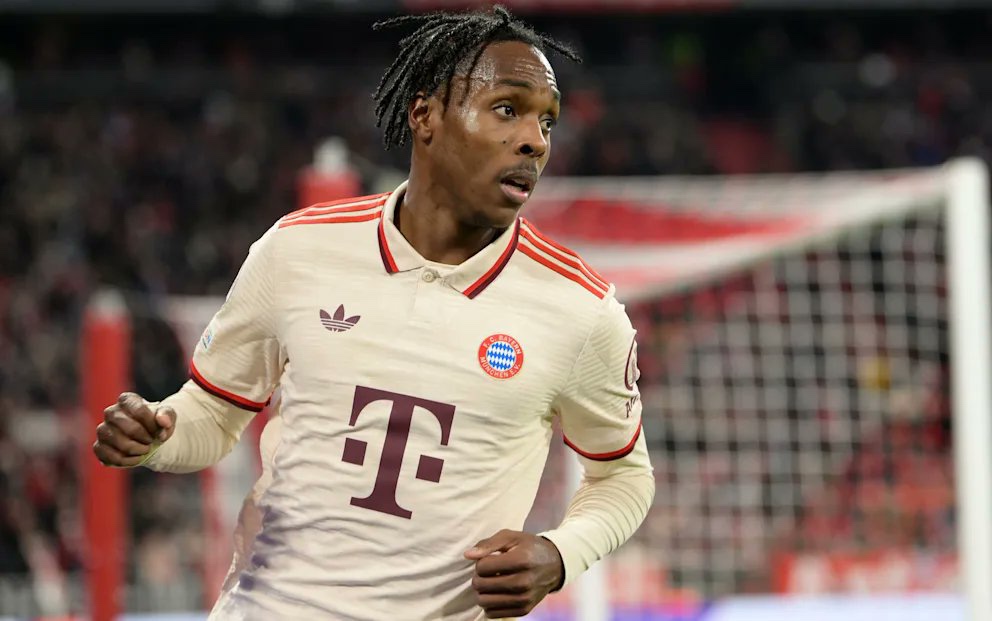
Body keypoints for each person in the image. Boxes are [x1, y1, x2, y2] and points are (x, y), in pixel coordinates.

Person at [93, 6, 655, 620]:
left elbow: (624, 478)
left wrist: (559, 552)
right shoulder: (298, 249)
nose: (535, 140)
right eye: (506, 109)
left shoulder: (581, 309)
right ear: (425, 116)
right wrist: (157, 434)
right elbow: (212, 414)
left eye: (547, 121)